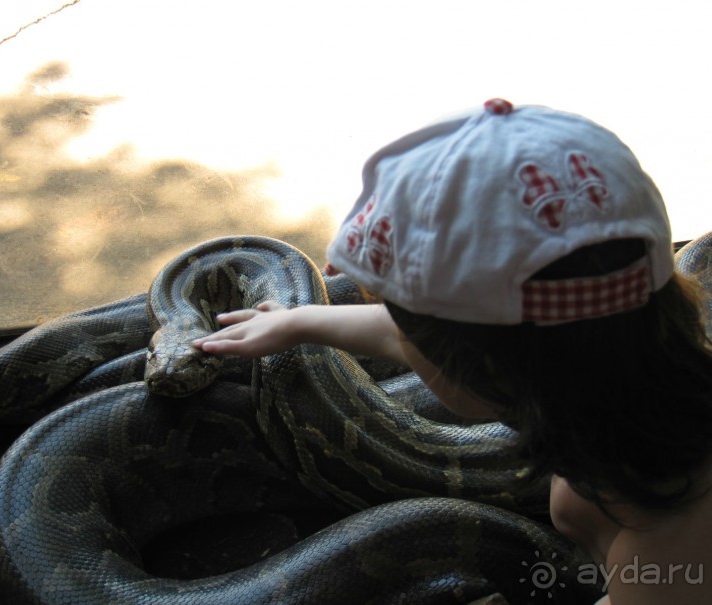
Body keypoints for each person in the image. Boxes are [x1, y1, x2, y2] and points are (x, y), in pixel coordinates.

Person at [192, 99, 712, 604]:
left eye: (412, 334)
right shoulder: (630, 378)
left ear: (484, 372)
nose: (397, 335)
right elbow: (412, 338)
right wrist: (298, 321)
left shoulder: (669, 556)